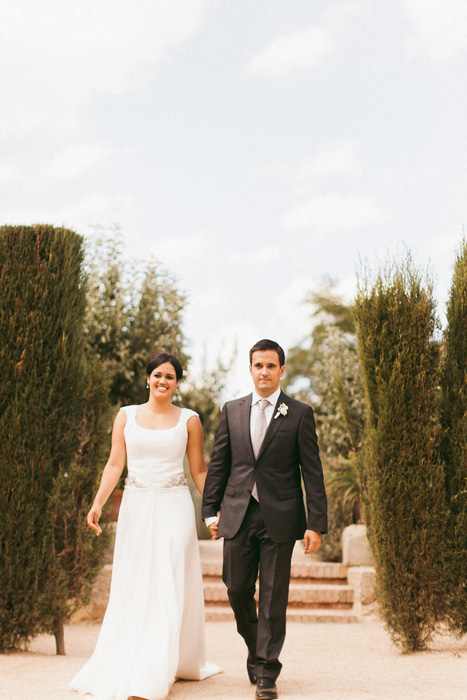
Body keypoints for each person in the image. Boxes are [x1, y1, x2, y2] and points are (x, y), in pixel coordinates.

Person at [70, 351, 221, 700]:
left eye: (169, 376)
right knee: (135, 581)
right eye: (157, 375)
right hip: (136, 507)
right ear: (147, 378)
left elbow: (199, 471)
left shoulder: (190, 420)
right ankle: (131, 657)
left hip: (175, 507)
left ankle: (155, 673)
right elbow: (113, 464)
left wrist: (215, 511)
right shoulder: (125, 416)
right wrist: (97, 503)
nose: (162, 381)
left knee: (168, 579)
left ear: (177, 383)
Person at [202, 339, 327, 700]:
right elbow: (220, 464)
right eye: (258, 365)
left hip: (282, 517)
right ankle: (256, 648)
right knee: (236, 588)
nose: (264, 372)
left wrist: (315, 522)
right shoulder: (232, 410)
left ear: (281, 370)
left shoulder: (299, 413)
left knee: (273, 596)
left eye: (271, 366)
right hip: (239, 514)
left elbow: (312, 471)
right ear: (251, 369)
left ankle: (267, 673)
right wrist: (211, 510)